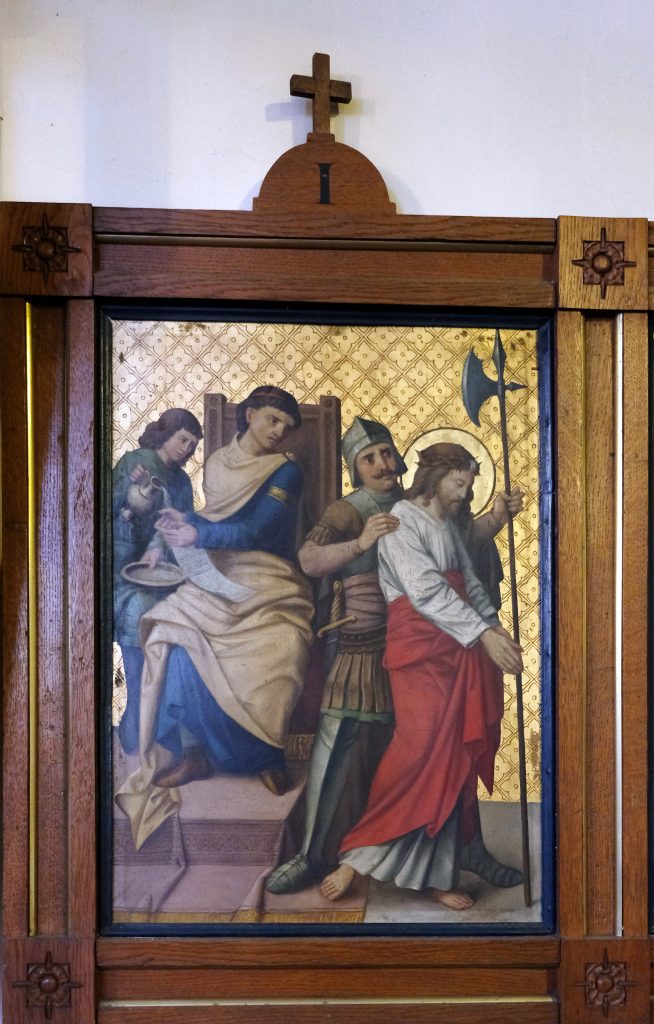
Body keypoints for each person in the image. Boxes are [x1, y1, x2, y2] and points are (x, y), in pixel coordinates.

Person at [320, 442, 524, 910]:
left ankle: (440, 869)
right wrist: (482, 634)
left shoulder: (448, 525)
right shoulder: (400, 522)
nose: (464, 493)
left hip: (458, 648)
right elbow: (427, 592)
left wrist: (493, 626)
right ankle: (359, 855)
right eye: (459, 482)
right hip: (420, 654)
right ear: (435, 477)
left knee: (452, 758)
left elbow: (469, 584)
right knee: (418, 754)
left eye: (469, 484)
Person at [116, 386, 314, 850]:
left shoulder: (287, 470)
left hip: (271, 576)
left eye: (286, 427)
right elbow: (206, 516)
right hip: (216, 569)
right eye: (272, 420)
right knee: (175, 635)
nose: (279, 431)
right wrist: (184, 527)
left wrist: (197, 532)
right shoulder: (219, 463)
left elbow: (260, 529)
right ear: (250, 415)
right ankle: (195, 752)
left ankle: (266, 756)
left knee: (284, 644)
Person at [266, 417, 405, 895]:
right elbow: (309, 559)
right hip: (360, 647)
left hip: (415, 649)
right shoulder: (349, 510)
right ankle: (314, 856)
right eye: (369, 459)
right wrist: (362, 542)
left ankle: (395, 860)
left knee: (409, 754)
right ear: (354, 469)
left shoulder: (416, 504)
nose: (382, 464)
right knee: (337, 749)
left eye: (386, 453)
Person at [113, 408, 203, 754]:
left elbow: (175, 525)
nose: (186, 449)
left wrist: (156, 547)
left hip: (157, 567)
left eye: (192, 445)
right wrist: (128, 486)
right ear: (166, 433)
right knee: (138, 611)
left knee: (184, 613)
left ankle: (165, 723)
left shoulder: (181, 482)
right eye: (183, 439)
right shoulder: (135, 461)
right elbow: (101, 508)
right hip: (119, 558)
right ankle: (137, 720)